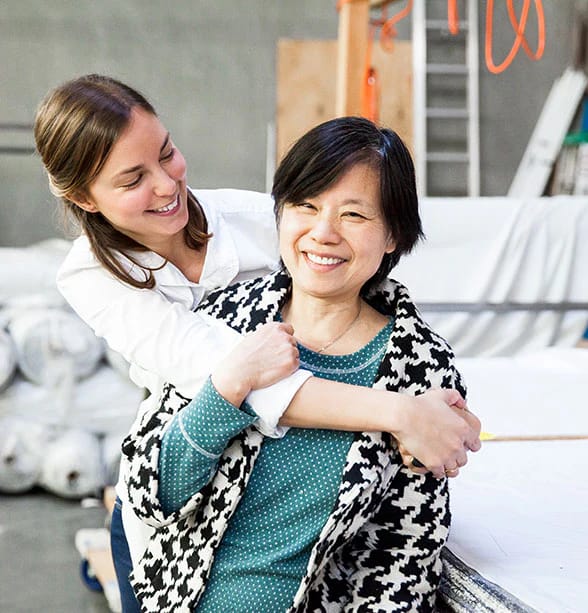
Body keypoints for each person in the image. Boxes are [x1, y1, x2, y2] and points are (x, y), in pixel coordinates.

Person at [34, 75, 480, 612]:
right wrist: (401, 414)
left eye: (168, 153)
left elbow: (357, 270)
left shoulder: (262, 222)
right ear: (85, 197)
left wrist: (434, 398)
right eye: (133, 179)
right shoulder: (93, 276)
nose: (166, 184)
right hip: (171, 550)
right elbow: (221, 376)